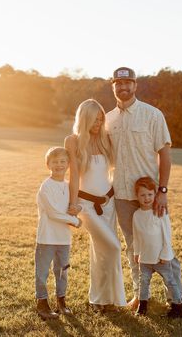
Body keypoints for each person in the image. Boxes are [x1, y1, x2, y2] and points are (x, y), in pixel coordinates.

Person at [105, 66, 182, 316]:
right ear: (113, 87)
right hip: (122, 195)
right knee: (134, 249)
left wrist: (162, 190)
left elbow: (165, 154)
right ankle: (139, 295)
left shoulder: (152, 115)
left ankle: (177, 300)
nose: (123, 88)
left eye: (128, 83)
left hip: (150, 196)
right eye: (118, 84)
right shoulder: (108, 119)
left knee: (164, 249)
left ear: (135, 85)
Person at [64, 99, 126, 312]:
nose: (99, 123)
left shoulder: (105, 139)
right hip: (86, 206)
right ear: (84, 119)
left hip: (109, 203)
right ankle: (105, 298)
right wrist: (73, 205)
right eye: (94, 120)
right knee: (113, 246)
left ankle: (104, 301)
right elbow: (73, 177)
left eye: (101, 119)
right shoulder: (72, 141)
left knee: (102, 251)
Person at [35, 147, 81, 320]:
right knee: (42, 272)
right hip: (46, 238)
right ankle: (42, 303)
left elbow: (76, 203)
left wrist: (77, 208)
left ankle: (61, 301)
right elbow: (54, 213)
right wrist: (75, 221)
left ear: (68, 164)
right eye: (55, 162)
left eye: (62, 161)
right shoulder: (45, 187)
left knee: (62, 271)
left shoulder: (69, 186)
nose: (59, 165)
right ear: (48, 164)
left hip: (63, 239)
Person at [133, 177, 182, 318]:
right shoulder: (136, 215)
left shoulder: (159, 211)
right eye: (142, 195)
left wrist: (165, 255)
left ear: (155, 194)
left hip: (160, 257)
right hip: (145, 258)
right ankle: (142, 306)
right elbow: (136, 237)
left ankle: (178, 305)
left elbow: (167, 235)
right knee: (143, 281)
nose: (146, 198)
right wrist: (137, 253)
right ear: (136, 196)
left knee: (170, 281)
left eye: (150, 194)